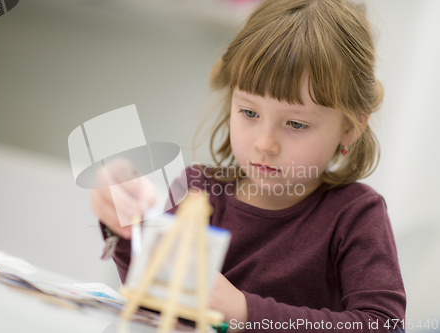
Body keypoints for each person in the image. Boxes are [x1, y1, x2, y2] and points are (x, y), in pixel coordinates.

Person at [90, 0, 406, 332]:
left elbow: (384, 324)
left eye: (296, 124)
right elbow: (154, 299)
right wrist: (122, 217)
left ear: (350, 127)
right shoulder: (198, 189)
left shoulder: (355, 215)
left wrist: (244, 310)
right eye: (250, 113)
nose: (264, 143)